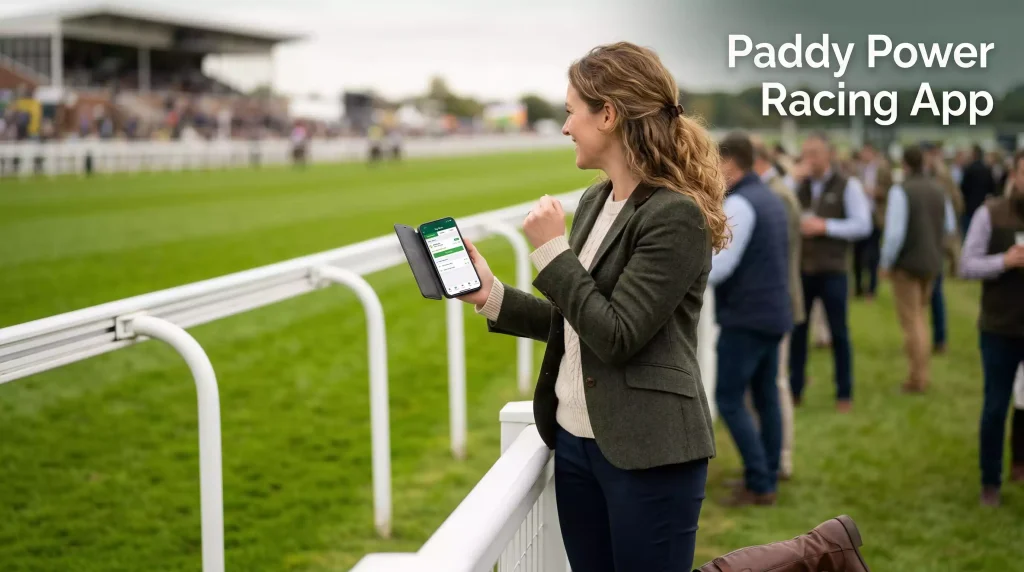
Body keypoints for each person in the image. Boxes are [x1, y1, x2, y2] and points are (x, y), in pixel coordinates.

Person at [458, 42, 724, 571]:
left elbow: (617, 334)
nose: (564, 127)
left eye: (570, 111)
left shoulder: (676, 216)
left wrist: (551, 251)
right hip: (577, 445)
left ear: (609, 114)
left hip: (650, 453)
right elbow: (578, 322)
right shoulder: (593, 201)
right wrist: (490, 295)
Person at [710, 133, 792, 506]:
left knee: (728, 399)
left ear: (731, 163)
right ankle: (767, 474)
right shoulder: (770, 198)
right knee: (765, 397)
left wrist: (679, 268)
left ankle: (759, 481)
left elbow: (720, 269)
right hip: (773, 314)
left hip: (747, 317)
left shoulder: (741, 204)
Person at [958, 149, 1024, 507]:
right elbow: (966, 265)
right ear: (1013, 175)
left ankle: (1019, 461)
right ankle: (990, 481)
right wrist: (1004, 261)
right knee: (996, 406)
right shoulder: (991, 213)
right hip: (999, 326)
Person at [790, 132, 873, 412]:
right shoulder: (797, 184)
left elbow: (863, 225)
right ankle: (795, 389)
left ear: (829, 155)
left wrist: (826, 227)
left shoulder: (847, 185)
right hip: (802, 269)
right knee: (798, 331)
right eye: (805, 153)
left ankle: (844, 393)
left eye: (814, 153)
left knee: (839, 333)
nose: (809, 160)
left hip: (833, 270)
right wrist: (793, 178)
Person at [879, 146, 956, 394]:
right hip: (932, 261)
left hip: (907, 264)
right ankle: (922, 373)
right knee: (921, 316)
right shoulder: (938, 189)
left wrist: (885, 262)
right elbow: (949, 225)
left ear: (904, 164)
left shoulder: (901, 191)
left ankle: (917, 377)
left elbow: (894, 234)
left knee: (912, 322)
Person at [753, 140, 803, 479]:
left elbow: (776, 257)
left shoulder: (777, 195)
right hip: (776, 300)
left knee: (776, 383)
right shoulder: (775, 191)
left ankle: (780, 458)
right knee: (768, 385)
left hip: (777, 300)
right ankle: (768, 456)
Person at [923, 142, 963, 354]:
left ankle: (939, 338)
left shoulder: (943, 179)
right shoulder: (929, 176)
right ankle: (929, 337)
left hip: (936, 239)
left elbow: (954, 205)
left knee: (935, 291)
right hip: (928, 238)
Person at [853, 143, 890, 299]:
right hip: (859, 217)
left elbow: (889, 191)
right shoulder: (856, 169)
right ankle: (858, 288)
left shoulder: (882, 170)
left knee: (873, 255)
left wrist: (872, 191)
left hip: (875, 218)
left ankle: (872, 289)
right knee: (857, 255)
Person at [960, 144, 997, 234]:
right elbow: (992, 189)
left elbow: (963, 188)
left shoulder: (969, 169)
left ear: (974, 154)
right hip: (982, 205)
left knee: (968, 233)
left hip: (969, 208)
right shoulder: (987, 170)